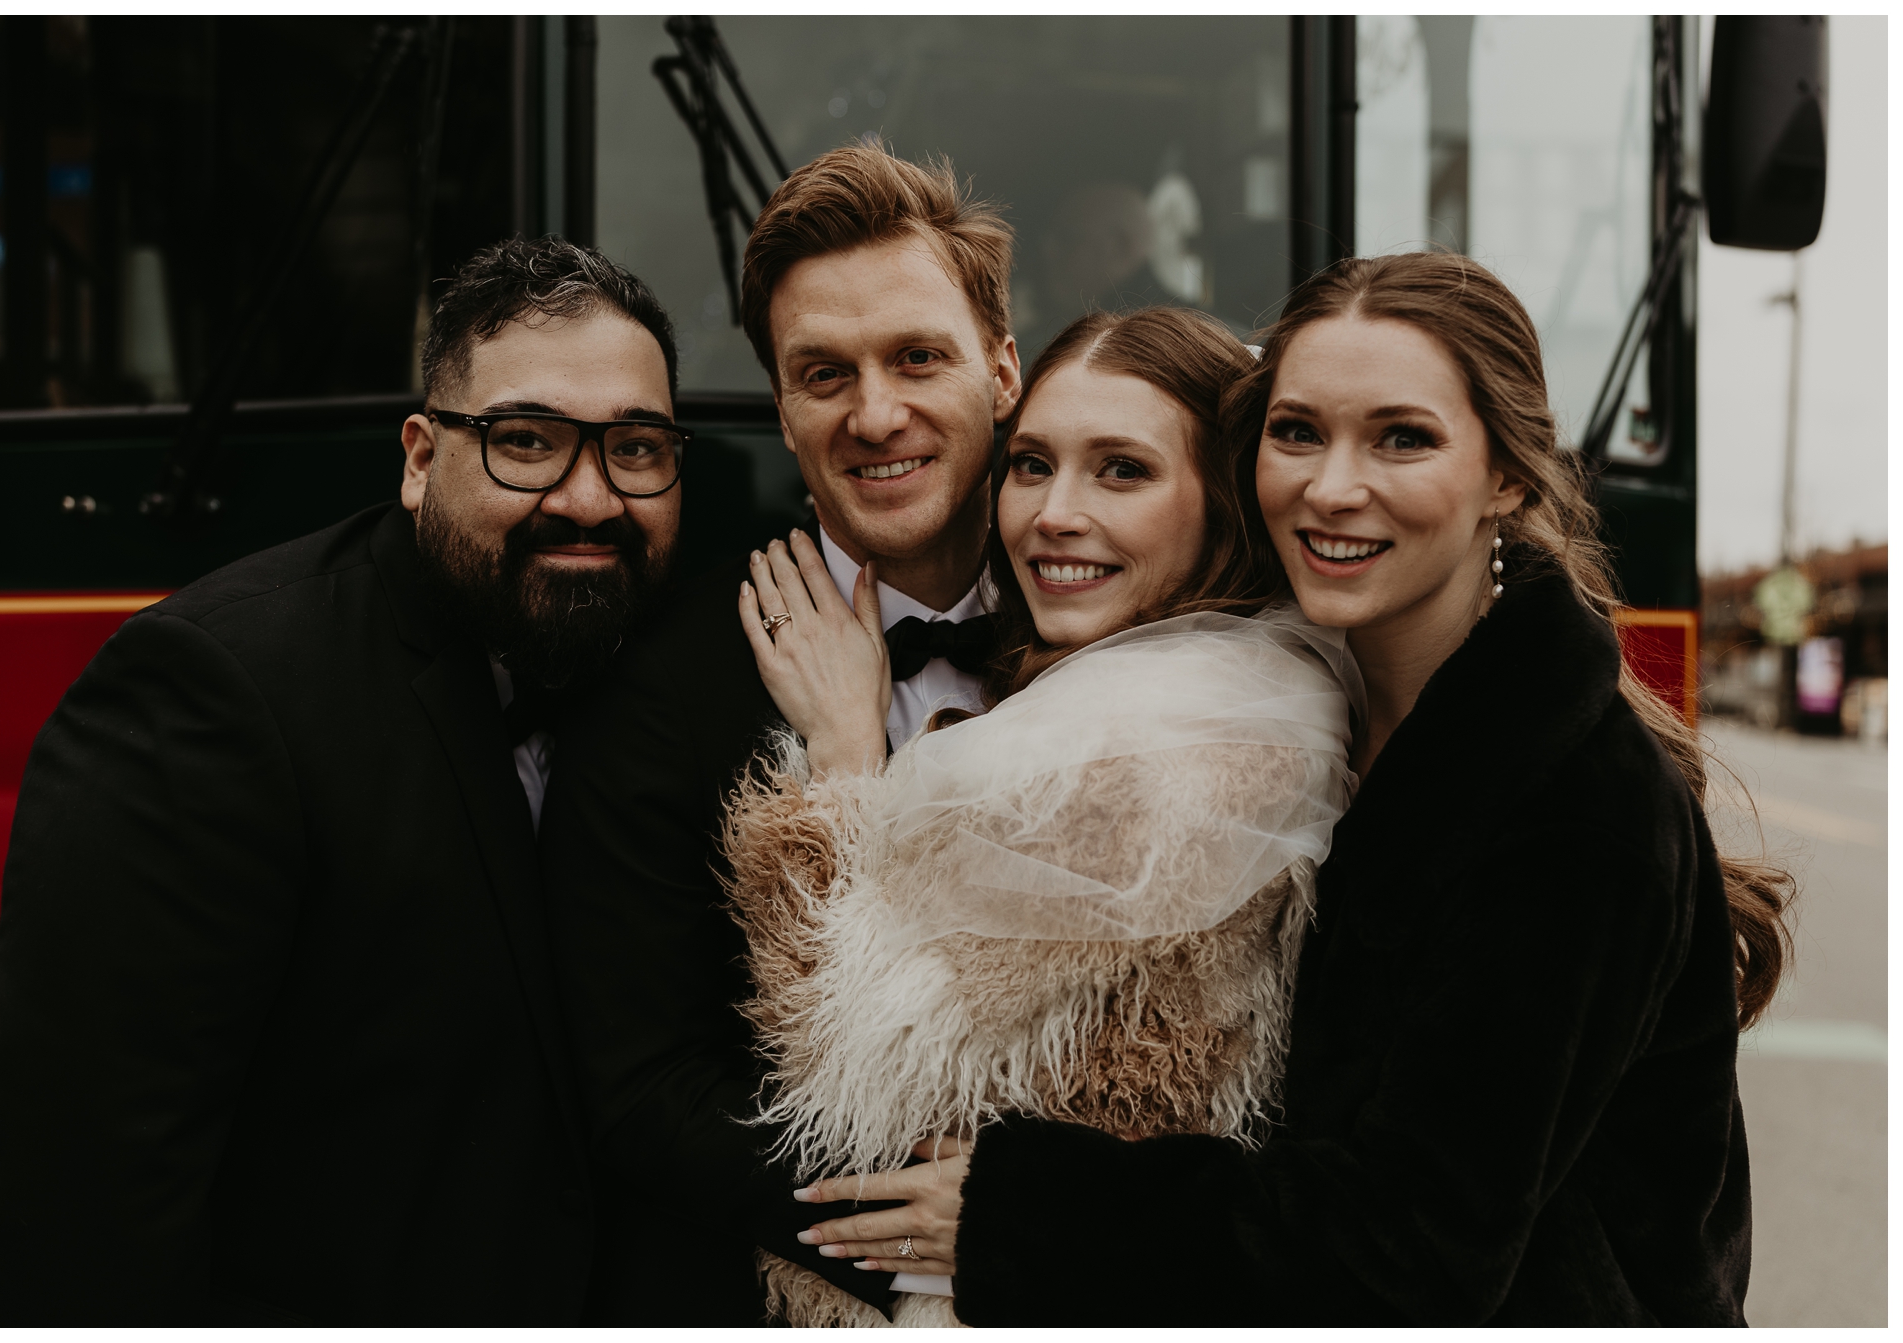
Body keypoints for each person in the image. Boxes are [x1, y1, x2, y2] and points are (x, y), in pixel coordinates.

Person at [816, 251, 1794, 1325]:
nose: (1330, 485)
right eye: (1296, 432)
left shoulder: (1572, 803)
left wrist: (1024, 1205)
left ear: (1507, 476)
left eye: (1401, 438)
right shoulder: (1321, 707)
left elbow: (1409, 1249)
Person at [0, 238, 687, 1324]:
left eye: (635, 447)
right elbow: (81, 1203)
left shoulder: (675, 663)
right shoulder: (209, 690)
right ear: (418, 457)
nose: (588, 497)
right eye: (524, 441)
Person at [723, 306, 1359, 1327]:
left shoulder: (1151, 745)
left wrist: (843, 754)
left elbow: (846, 1058)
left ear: (1225, 504)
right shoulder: (1245, 685)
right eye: (1030, 465)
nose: (1052, 514)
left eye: (1121, 470)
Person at [539, 142, 1022, 1323]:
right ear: (782, 409)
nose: (874, 413)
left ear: (1001, 370)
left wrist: (1048, 1221)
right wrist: (926, 1234)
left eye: (918, 357)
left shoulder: (1130, 628)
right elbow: (645, 1092)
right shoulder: (660, 686)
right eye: (824, 373)